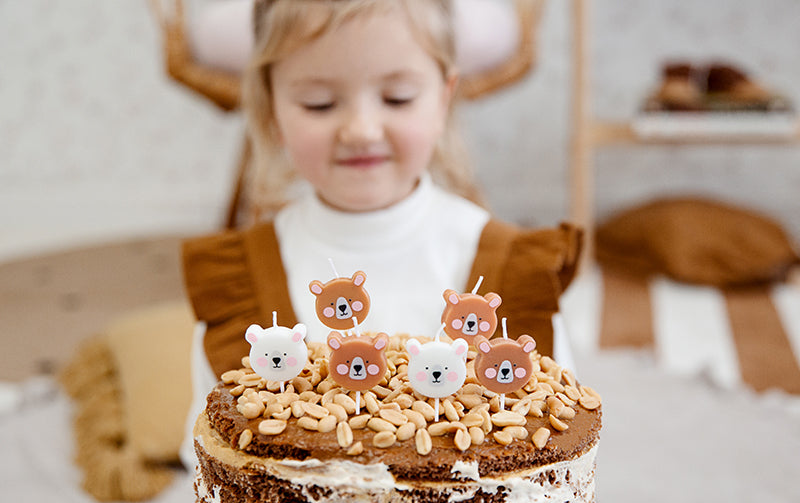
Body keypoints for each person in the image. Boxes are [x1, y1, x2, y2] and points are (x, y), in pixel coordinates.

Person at [180, 0, 581, 467]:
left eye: (397, 98)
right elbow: (209, 449)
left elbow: (561, 433)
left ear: (443, 100)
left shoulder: (515, 266)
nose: (361, 129)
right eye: (320, 103)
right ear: (271, 109)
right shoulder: (238, 277)